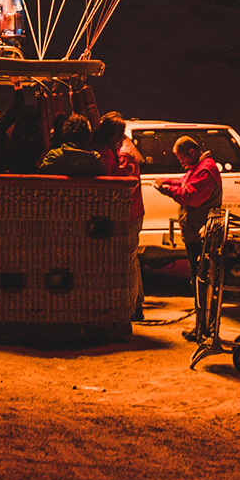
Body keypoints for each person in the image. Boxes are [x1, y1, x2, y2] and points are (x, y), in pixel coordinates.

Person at [158, 133, 223, 337]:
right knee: (197, 280)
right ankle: (201, 326)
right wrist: (167, 182)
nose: (181, 162)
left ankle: (204, 328)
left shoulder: (206, 171)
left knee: (201, 281)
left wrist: (167, 190)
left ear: (192, 152)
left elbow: (190, 196)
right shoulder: (197, 168)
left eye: (181, 158)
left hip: (201, 236)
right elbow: (184, 182)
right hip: (195, 233)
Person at [96, 111, 145, 322]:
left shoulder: (124, 154)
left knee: (128, 260)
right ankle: (137, 303)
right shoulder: (126, 147)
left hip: (129, 213)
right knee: (132, 259)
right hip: (135, 211)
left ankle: (132, 307)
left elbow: (119, 183)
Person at [40, 112, 103, 177]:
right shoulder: (95, 160)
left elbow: (40, 177)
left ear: (66, 132)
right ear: (88, 135)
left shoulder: (54, 157)